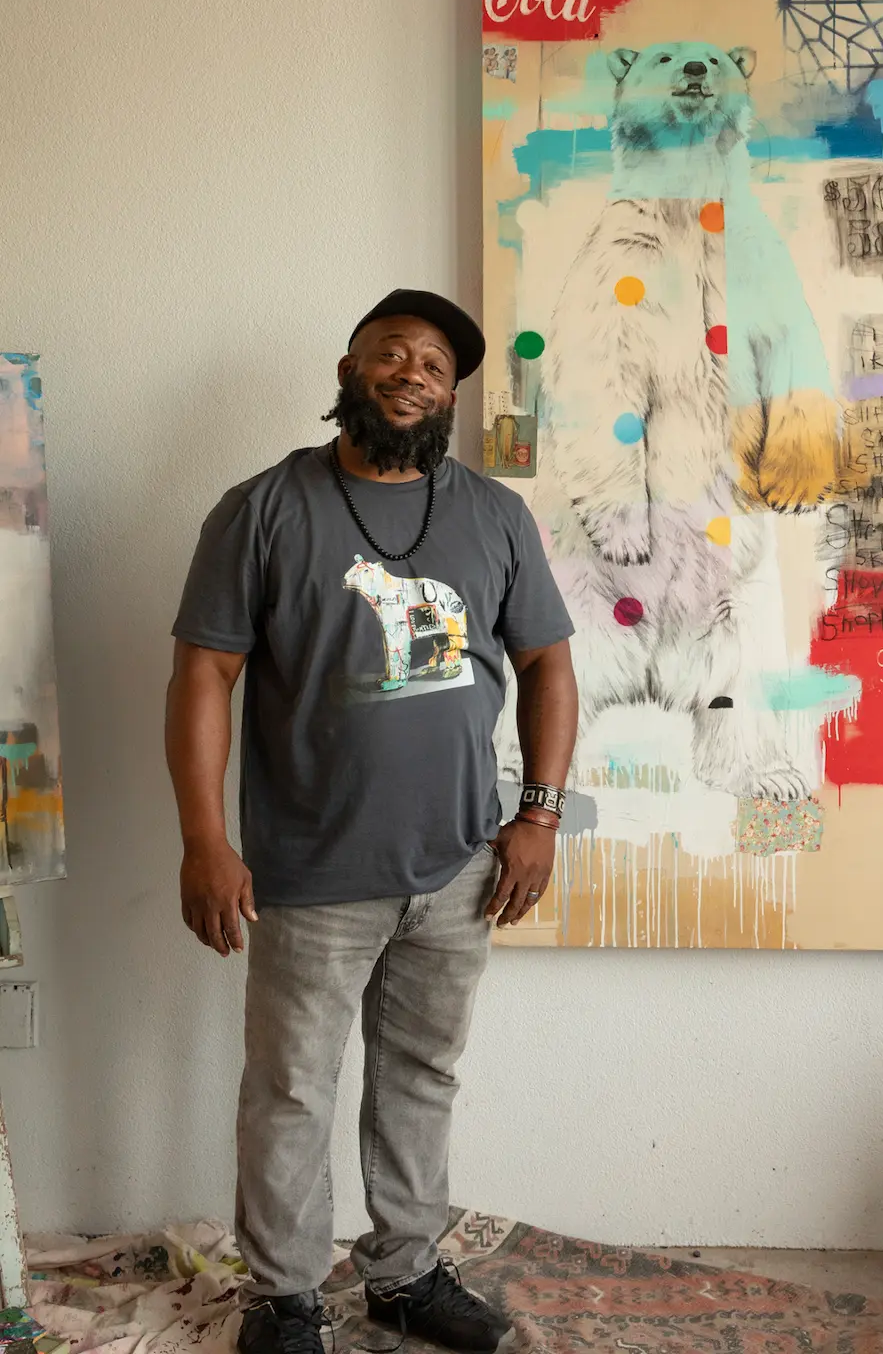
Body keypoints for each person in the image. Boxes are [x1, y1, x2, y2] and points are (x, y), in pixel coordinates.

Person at [165, 290, 578, 1354]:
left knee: (420, 1079)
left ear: (450, 395)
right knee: (292, 1091)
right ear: (349, 369)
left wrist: (537, 813)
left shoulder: (493, 514)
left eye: (435, 364)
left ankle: (403, 1275)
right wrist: (205, 840)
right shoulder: (260, 509)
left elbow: (546, 666)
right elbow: (205, 673)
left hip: (455, 867)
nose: (411, 371)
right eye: (390, 352)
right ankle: (285, 1299)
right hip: (307, 873)